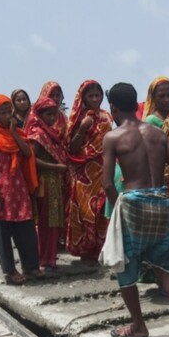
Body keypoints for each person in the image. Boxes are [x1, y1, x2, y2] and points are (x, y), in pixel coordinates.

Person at [101, 82, 169, 337]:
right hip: (160, 200)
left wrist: (117, 212)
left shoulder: (113, 137)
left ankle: (139, 326)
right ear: (137, 104)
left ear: (114, 109)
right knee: (164, 263)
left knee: (125, 266)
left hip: (132, 202)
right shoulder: (157, 133)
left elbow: (108, 183)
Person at [0, 94, 42, 284]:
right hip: (1, 187)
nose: (7, 115)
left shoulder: (17, 133)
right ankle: (10, 271)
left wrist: (14, 132)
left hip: (18, 188)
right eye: (3, 112)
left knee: (26, 228)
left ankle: (30, 265)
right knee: (3, 232)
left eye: (9, 112)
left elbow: (26, 152)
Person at [138, 77, 169, 276]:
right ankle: (167, 275)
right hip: (164, 183)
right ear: (153, 97)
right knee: (167, 231)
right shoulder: (152, 121)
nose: (167, 99)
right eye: (162, 96)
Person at [66, 80, 114, 264]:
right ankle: (85, 251)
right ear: (83, 98)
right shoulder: (78, 118)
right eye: (90, 96)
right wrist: (83, 127)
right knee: (85, 211)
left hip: (103, 170)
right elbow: (71, 148)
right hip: (84, 173)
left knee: (102, 210)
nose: (95, 99)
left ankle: (100, 250)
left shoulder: (107, 116)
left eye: (98, 95)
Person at [25, 96, 69, 270]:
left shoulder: (51, 134)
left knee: (54, 221)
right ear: (39, 114)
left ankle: (50, 258)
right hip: (45, 182)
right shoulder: (38, 134)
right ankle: (45, 259)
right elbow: (32, 160)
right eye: (49, 115)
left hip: (54, 182)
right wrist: (56, 167)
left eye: (54, 115)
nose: (52, 118)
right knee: (46, 222)